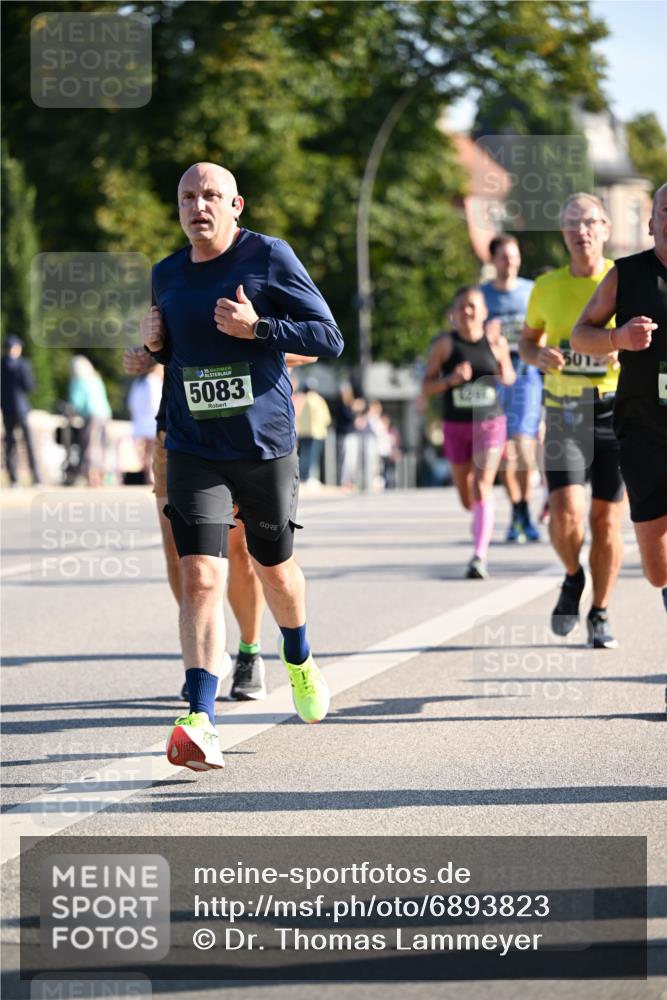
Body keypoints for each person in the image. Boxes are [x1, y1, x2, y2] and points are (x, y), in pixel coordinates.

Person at [142, 161, 343, 771]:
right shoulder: (165, 274)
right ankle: (199, 717)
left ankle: (298, 657)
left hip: (262, 445)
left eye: (211, 195)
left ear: (236, 205)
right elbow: (180, 355)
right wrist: (153, 347)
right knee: (200, 575)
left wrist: (260, 329)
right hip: (193, 446)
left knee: (273, 569)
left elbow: (328, 337)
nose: (197, 206)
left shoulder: (270, 257)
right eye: (187, 197)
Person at [123, 347, 317, 701]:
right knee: (185, 559)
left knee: (241, 553)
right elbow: (161, 341)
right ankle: (207, 657)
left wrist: (232, 349)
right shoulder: (170, 301)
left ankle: (249, 650)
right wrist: (149, 356)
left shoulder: (264, 305)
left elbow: (309, 349)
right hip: (180, 435)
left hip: (245, 436)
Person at [519, 193, 624, 648]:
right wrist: (537, 355)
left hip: (617, 408)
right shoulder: (546, 287)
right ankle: (572, 575)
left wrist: (621, 350)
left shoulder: (622, 279)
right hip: (566, 409)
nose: (580, 231)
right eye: (571, 223)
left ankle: (600, 611)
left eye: (589, 222)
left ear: (605, 228)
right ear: (563, 233)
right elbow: (527, 342)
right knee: (565, 512)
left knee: (606, 521)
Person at [572, 182, 667, 612]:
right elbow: (580, 335)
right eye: (666, 211)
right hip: (643, 431)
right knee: (658, 570)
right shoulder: (625, 275)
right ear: (651, 224)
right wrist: (618, 338)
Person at [421, 285, 515, 579]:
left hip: (490, 423)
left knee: (482, 485)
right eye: (462, 306)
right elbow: (426, 385)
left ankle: (479, 555)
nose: (467, 312)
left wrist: (501, 356)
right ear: (454, 314)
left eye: (473, 306)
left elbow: (509, 378)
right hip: (456, 425)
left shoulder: (495, 342)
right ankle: (479, 520)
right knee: (466, 497)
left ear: (484, 312)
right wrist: (450, 380)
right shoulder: (445, 345)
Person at [481, 236, 542, 542]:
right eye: (505, 256)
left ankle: (525, 508)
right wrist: (486, 337)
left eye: (515, 256)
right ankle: (517, 509)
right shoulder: (482, 295)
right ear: (493, 260)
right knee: (505, 452)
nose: (511, 262)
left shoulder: (532, 291)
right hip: (493, 378)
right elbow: (464, 332)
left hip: (526, 375)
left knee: (523, 447)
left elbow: (546, 327)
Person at [1, 335, 41, 486]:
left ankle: (14, 479)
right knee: (27, 443)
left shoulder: (2, 364)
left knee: (10, 443)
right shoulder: (23, 365)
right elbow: (29, 386)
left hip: (8, 408)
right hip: (21, 408)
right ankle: (36, 477)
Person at [68, 355, 112, 487]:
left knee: (90, 446)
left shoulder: (78, 380)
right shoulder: (96, 379)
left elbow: (76, 402)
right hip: (104, 414)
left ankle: (92, 478)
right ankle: (101, 476)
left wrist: (71, 414)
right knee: (102, 445)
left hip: (91, 415)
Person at [127, 364, 163, 483]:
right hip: (152, 421)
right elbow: (155, 403)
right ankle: (151, 477)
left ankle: (148, 476)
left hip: (141, 421)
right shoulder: (153, 381)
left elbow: (131, 403)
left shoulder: (138, 382)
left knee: (147, 451)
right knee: (153, 451)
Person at [297, 377, 331, 483]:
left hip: (303, 432)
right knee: (313, 456)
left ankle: (303, 476)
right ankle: (309, 477)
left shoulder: (302, 399)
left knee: (304, 455)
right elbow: (327, 418)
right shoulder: (319, 400)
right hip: (317, 433)